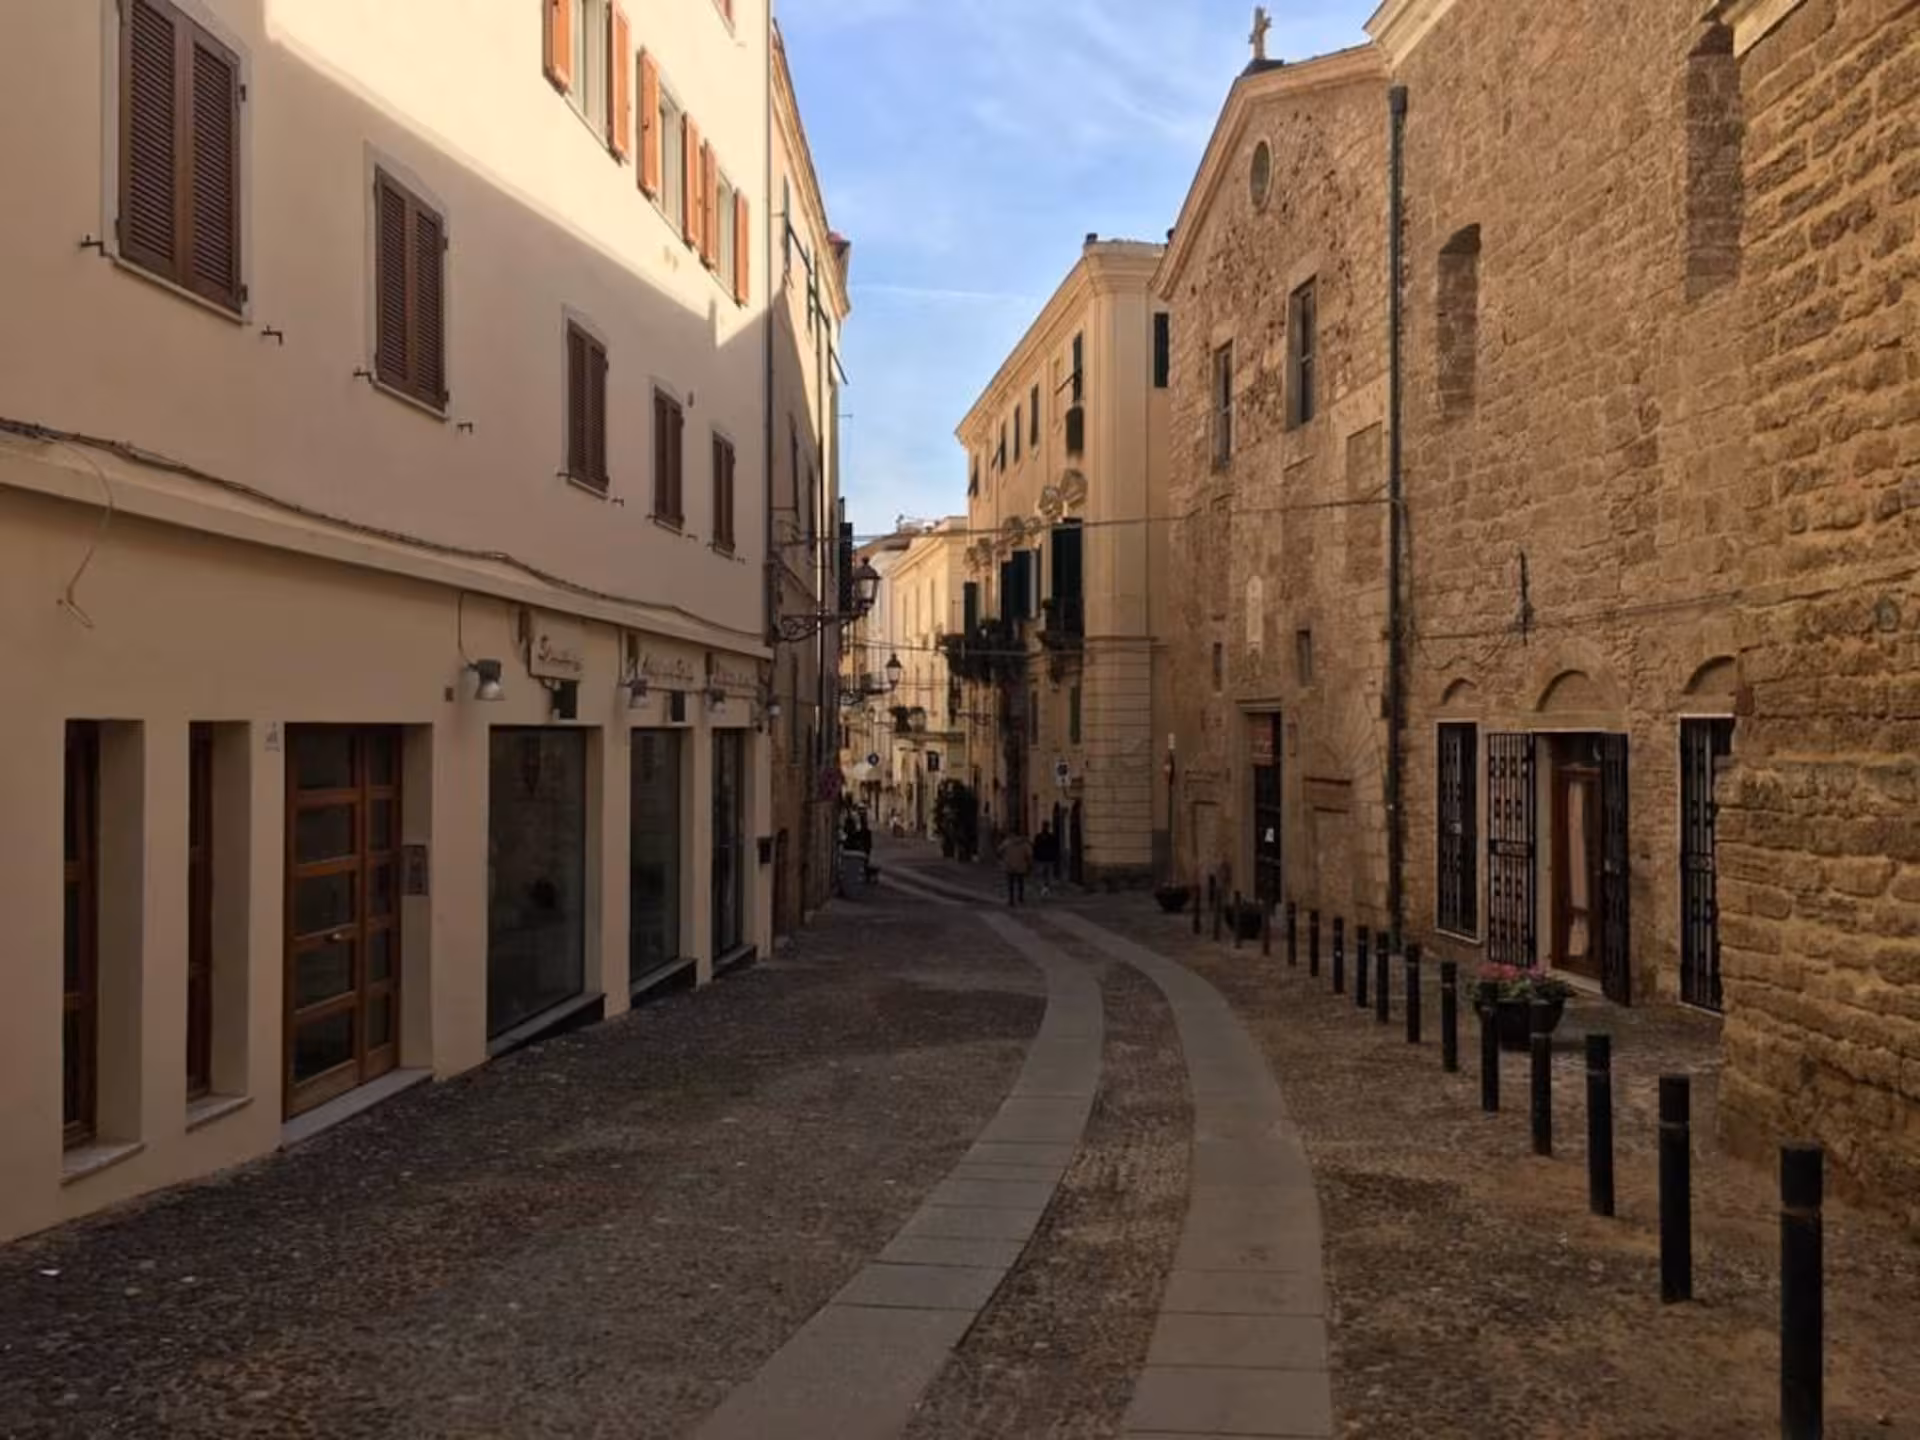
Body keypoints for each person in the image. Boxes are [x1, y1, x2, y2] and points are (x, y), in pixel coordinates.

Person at [1000, 830, 1034, 907]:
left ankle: (1011, 899)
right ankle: (1020, 898)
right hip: (1021, 866)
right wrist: (1030, 865)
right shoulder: (1024, 843)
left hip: (1009, 866)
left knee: (1010, 884)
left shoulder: (1007, 842)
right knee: (1020, 883)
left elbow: (999, 850)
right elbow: (1030, 855)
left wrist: (1004, 858)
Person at [1033, 822, 1060, 896]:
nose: (1045, 827)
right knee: (1045, 875)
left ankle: (1045, 888)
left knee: (1045, 875)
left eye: (1046, 826)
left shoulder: (1041, 837)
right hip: (1045, 859)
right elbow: (1035, 848)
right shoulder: (1042, 837)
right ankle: (1045, 888)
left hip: (1044, 859)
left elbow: (1035, 848)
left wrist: (1035, 857)